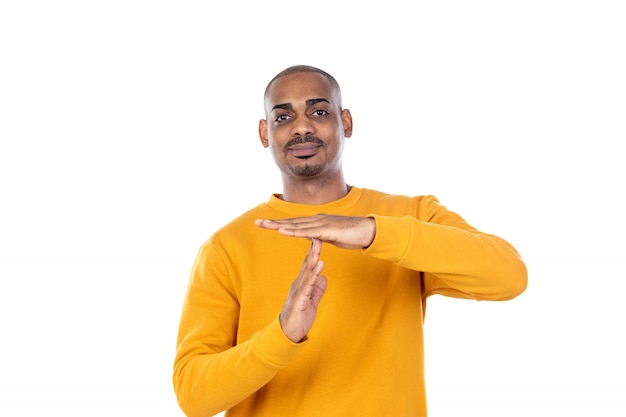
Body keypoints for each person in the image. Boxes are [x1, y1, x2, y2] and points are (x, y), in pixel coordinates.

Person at [172, 65, 527, 417]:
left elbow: (509, 277)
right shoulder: (226, 246)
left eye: (319, 111)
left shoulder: (409, 217)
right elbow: (193, 396)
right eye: (283, 118)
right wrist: (282, 334)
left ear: (347, 123)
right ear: (265, 133)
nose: (302, 126)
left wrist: (374, 231)